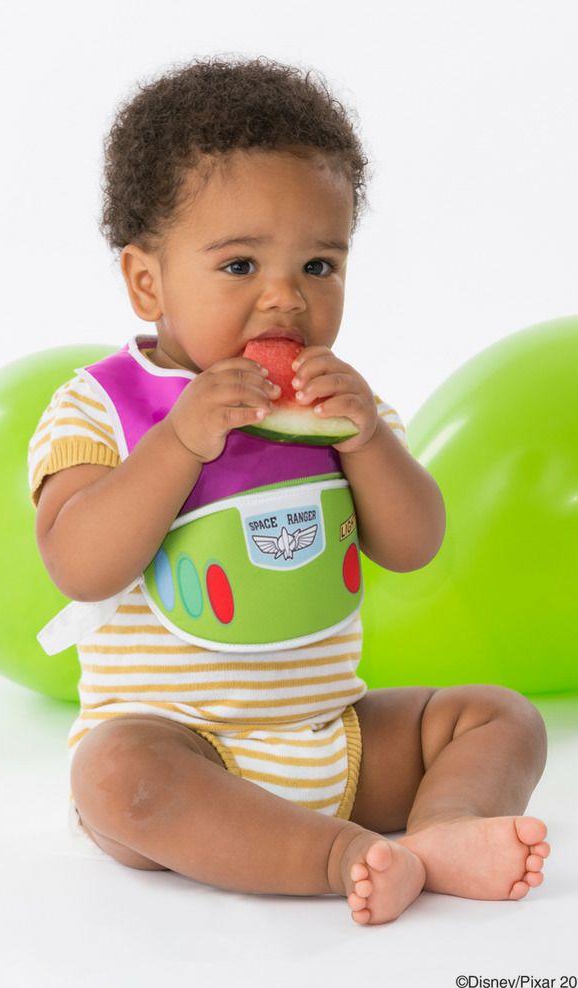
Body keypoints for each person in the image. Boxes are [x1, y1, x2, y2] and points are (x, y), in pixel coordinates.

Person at [27, 56, 549, 925]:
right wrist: (179, 442)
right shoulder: (101, 406)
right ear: (147, 281)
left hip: (336, 737)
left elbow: (412, 545)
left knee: (501, 717)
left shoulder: (342, 406)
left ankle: (445, 828)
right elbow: (79, 565)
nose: (287, 299)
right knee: (113, 776)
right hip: (183, 750)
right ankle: (342, 857)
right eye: (240, 266)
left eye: (318, 264)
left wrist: (367, 439)